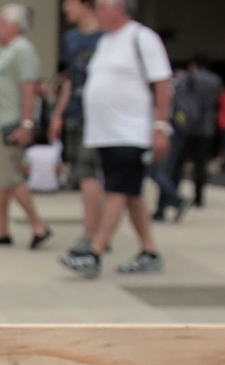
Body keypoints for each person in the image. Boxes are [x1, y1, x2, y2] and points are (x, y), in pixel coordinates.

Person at [60, 0, 171, 279]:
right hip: (105, 133)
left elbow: (162, 84)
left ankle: (95, 250)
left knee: (116, 191)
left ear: (118, 9)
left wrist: (160, 126)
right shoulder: (106, 42)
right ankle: (149, 250)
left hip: (130, 132)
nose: (96, 12)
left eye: (101, 7)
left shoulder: (141, 38)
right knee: (131, 193)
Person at [0, 4, 51, 248]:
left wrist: (26, 124)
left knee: (11, 177)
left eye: (2, 23)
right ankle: (1, 229)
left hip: (9, 123)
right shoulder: (4, 52)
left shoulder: (22, 50)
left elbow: (29, 88)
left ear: (15, 27)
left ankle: (38, 225)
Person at [50, 0, 104, 250]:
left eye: (70, 4)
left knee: (89, 174)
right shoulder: (70, 39)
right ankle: (96, 230)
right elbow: (69, 79)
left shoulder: (106, 37)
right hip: (76, 112)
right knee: (83, 174)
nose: (65, 9)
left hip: (100, 115)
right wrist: (58, 114)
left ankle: (91, 233)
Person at [169, 57, 221, 213]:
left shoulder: (186, 77)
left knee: (178, 163)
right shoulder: (215, 80)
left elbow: (178, 96)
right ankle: (199, 197)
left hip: (187, 126)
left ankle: (173, 194)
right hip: (206, 127)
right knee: (201, 164)